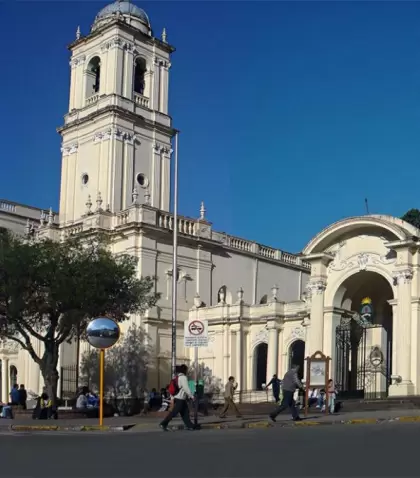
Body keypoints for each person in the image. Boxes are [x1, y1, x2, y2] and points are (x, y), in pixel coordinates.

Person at [159, 364, 195, 431]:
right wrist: (192, 396)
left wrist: (172, 398)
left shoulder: (177, 377)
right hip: (180, 399)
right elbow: (186, 388)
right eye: (186, 370)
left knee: (185, 412)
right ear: (184, 370)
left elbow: (173, 389)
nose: (187, 371)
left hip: (179, 398)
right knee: (174, 412)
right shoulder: (183, 377)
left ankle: (190, 425)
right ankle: (163, 423)